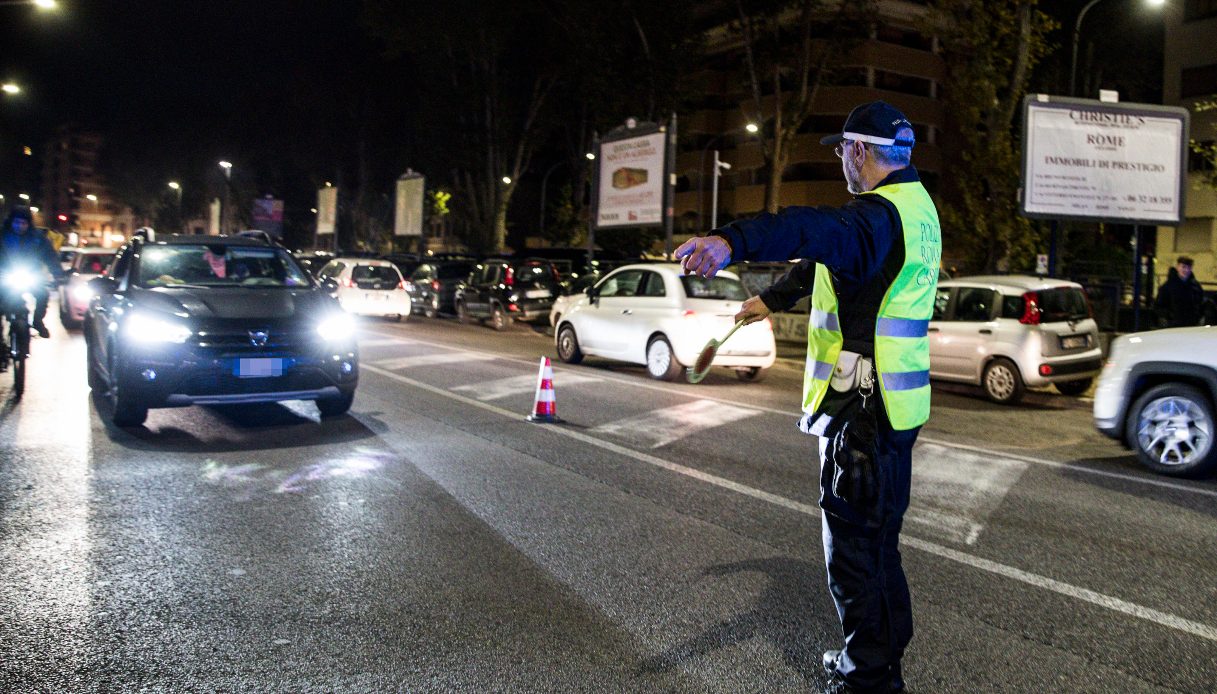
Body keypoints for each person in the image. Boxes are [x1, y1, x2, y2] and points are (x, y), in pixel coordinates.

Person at [677, 101, 940, 694]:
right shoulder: (916, 210)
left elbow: (808, 229)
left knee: (853, 555)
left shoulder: (873, 220)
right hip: (898, 406)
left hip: (863, 414)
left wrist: (729, 240)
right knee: (880, 545)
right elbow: (823, 261)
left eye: (843, 149)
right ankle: (879, 658)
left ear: (859, 151)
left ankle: (868, 679)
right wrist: (770, 299)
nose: (842, 161)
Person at [0, 207, 65, 338]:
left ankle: (38, 321)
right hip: (4, 277)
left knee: (42, 295)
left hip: (31, 276)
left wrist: (58, 274)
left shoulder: (38, 239)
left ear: (28, 224)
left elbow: (50, 256)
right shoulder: (2, 235)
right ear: (11, 222)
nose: (19, 226)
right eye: (16, 222)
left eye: (23, 223)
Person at [1154, 256, 1204, 328]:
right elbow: (1158, 306)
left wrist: (1198, 318)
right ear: (1177, 267)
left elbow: (1200, 304)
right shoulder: (1168, 286)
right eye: (1183, 267)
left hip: (1192, 326)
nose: (1186, 270)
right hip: (1173, 327)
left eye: (1188, 268)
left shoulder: (1195, 287)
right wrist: (1169, 316)